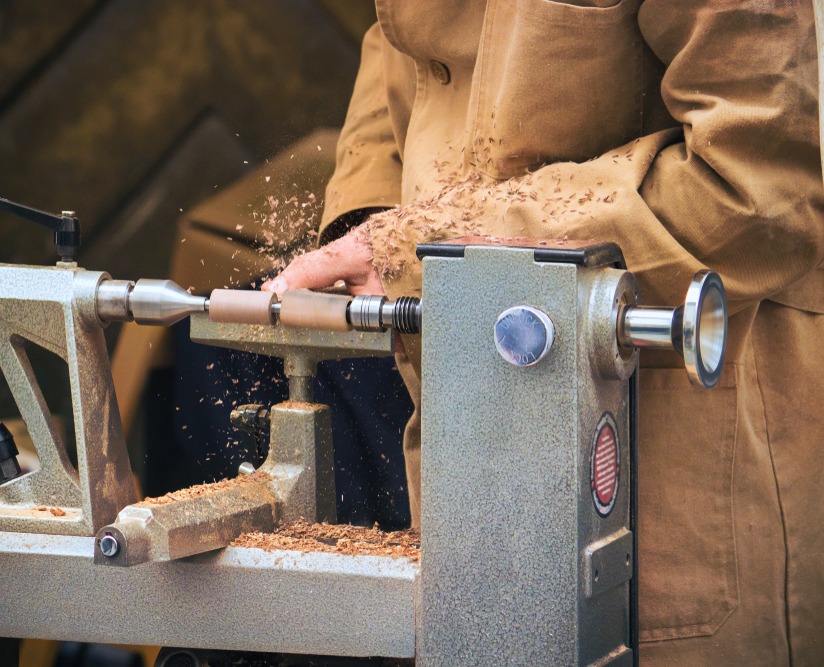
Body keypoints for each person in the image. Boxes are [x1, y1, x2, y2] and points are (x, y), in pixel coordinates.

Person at [263, 3, 824, 664]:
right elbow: (406, 46)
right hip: (467, 433)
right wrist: (371, 215)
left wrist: (429, 250)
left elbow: (763, 190)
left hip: (676, 480)